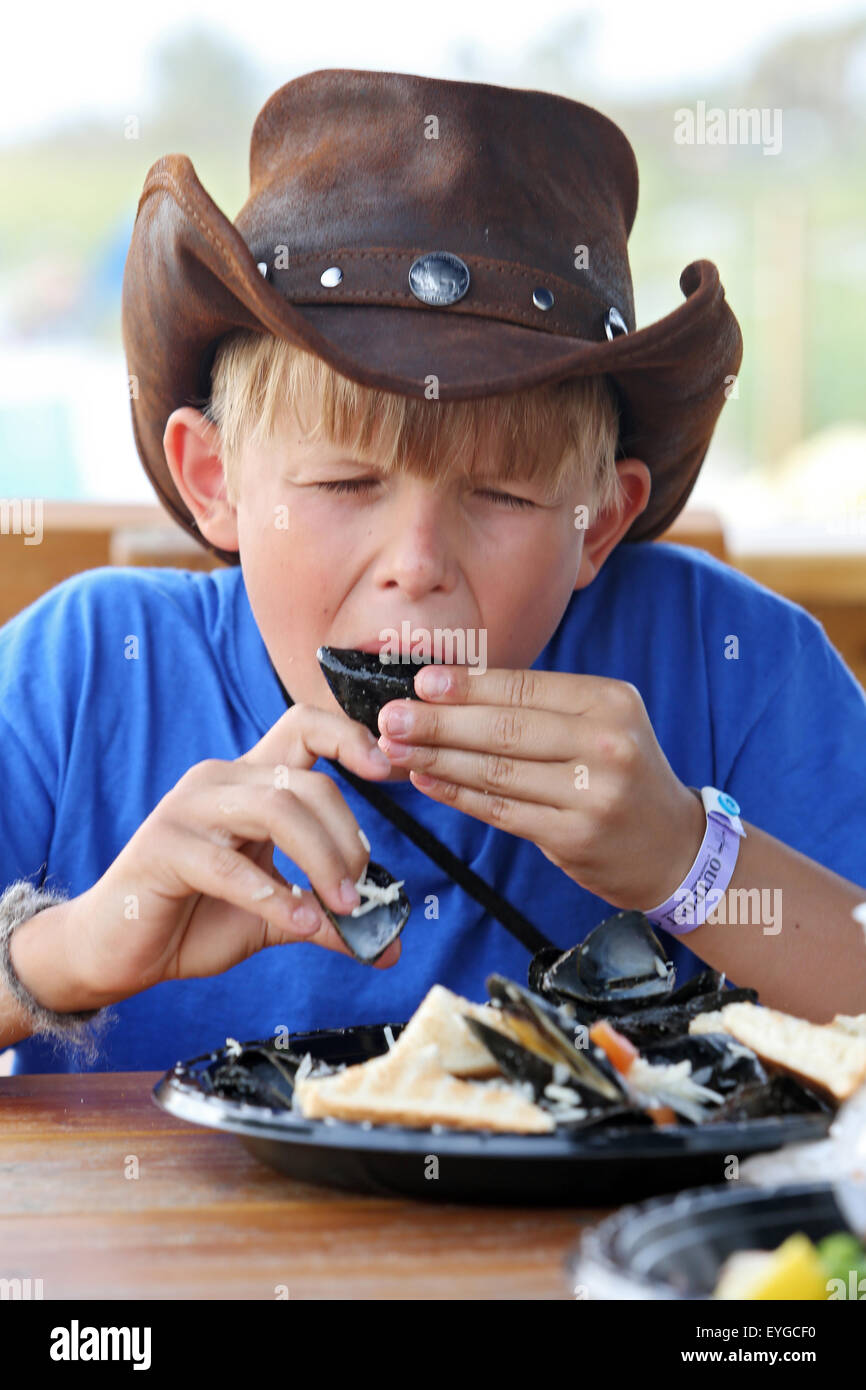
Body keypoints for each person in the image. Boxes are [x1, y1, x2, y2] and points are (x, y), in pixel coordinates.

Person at [2, 69, 865, 1078]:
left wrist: (690, 863)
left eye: (499, 497)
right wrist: (67, 951)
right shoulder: (83, 675)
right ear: (215, 481)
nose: (415, 568)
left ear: (600, 523)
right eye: (340, 482)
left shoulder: (732, 669)